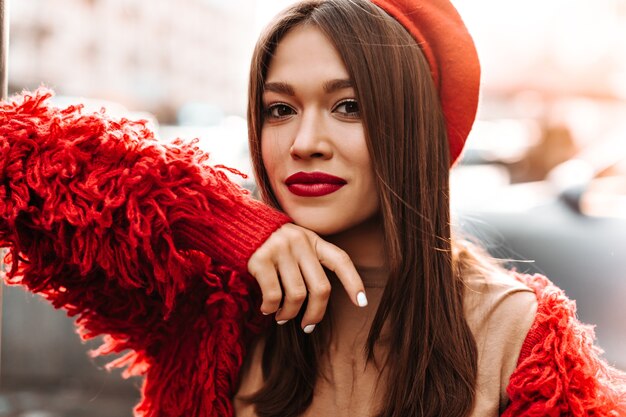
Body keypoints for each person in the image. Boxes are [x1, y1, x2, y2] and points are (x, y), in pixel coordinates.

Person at [0, 1, 624, 417]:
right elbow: (14, 152)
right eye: (280, 109)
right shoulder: (210, 303)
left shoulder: (517, 335)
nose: (305, 142)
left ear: (417, 130)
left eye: (347, 106)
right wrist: (225, 223)